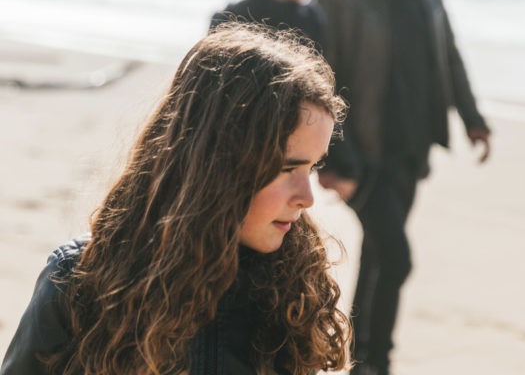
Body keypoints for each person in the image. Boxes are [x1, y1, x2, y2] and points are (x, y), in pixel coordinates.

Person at [1, 24, 351, 375]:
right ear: (218, 163)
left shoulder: (291, 293)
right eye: (287, 168)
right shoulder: (78, 284)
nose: (307, 198)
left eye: (312, 167)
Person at [313, 0, 492, 375]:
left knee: (377, 260)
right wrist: (333, 157)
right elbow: (320, 78)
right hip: (362, 154)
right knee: (396, 257)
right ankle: (372, 360)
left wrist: (472, 118)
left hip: (412, 150)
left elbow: (448, 55)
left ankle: (363, 361)